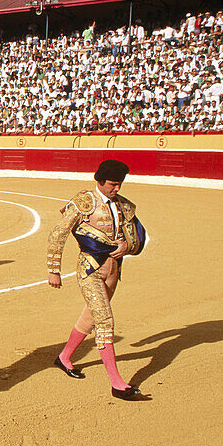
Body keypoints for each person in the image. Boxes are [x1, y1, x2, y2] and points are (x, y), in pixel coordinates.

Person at [46, 158, 148, 401]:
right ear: (100, 181)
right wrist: (54, 269)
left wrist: (126, 246)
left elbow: (136, 237)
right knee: (105, 321)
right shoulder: (84, 203)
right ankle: (117, 383)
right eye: (113, 184)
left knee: (89, 318)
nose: (117, 189)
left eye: (120, 184)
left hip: (113, 270)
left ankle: (64, 358)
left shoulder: (123, 205)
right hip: (90, 270)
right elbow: (58, 234)